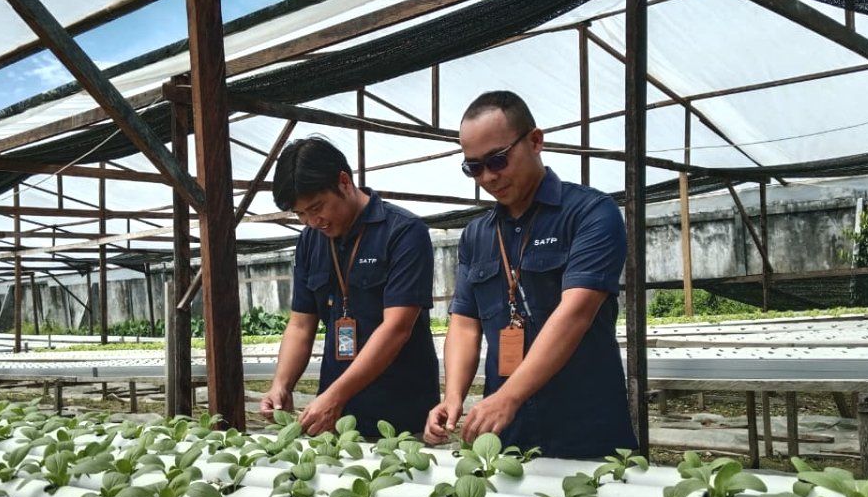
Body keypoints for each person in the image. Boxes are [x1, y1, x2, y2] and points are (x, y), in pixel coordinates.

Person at [424, 90, 637, 458]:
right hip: (507, 432)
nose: (488, 177)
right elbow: (464, 323)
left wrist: (508, 396)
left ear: (535, 141)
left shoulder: (590, 213)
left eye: (498, 160)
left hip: (586, 426)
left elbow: (576, 312)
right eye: (474, 167)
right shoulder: (477, 235)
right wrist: (453, 396)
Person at [260, 136, 440, 438]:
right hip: (335, 416)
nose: (312, 221)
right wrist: (281, 384)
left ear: (343, 181)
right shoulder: (309, 241)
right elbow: (301, 325)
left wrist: (334, 396)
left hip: (400, 413)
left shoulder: (404, 232)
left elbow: (397, 328)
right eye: (301, 214)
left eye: (317, 208)